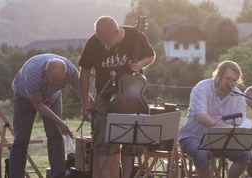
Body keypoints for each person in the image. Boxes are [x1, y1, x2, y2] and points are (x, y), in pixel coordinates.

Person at [78, 15, 156, 178]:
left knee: (129, 144)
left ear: (116, 31)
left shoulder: (135, 35)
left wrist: (140, 64)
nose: (103, 43)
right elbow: (84, 72)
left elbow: (151, 55)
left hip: (131, 100)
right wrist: (85, 102)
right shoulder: (94, 42)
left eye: (106, 40)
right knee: (103, 143)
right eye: (100, 39)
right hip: (104, 98)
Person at [9, 54, 82, 178]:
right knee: (21, 139)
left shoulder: (71, 70)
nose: (56, 84)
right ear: (45, 72)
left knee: (55, 134)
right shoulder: (33, 75)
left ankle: (58, 175)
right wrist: (61, 123)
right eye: (53, 81)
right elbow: (38, 105)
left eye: (59, 82)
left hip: (52, 97)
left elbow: (80, 89)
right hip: (25, 98)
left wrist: (88, 106)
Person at [178, 61, 252, 178]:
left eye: (234, 80)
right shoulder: (202, 88)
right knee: (202, 153)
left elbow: (240, 123)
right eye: (227, 78)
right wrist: (228, 128)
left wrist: (246, 130)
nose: (230, 83)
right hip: (194, 136)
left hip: (222, 139)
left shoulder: (238, 95)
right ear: (218, 76)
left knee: (246, 154)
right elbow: (201, 117)